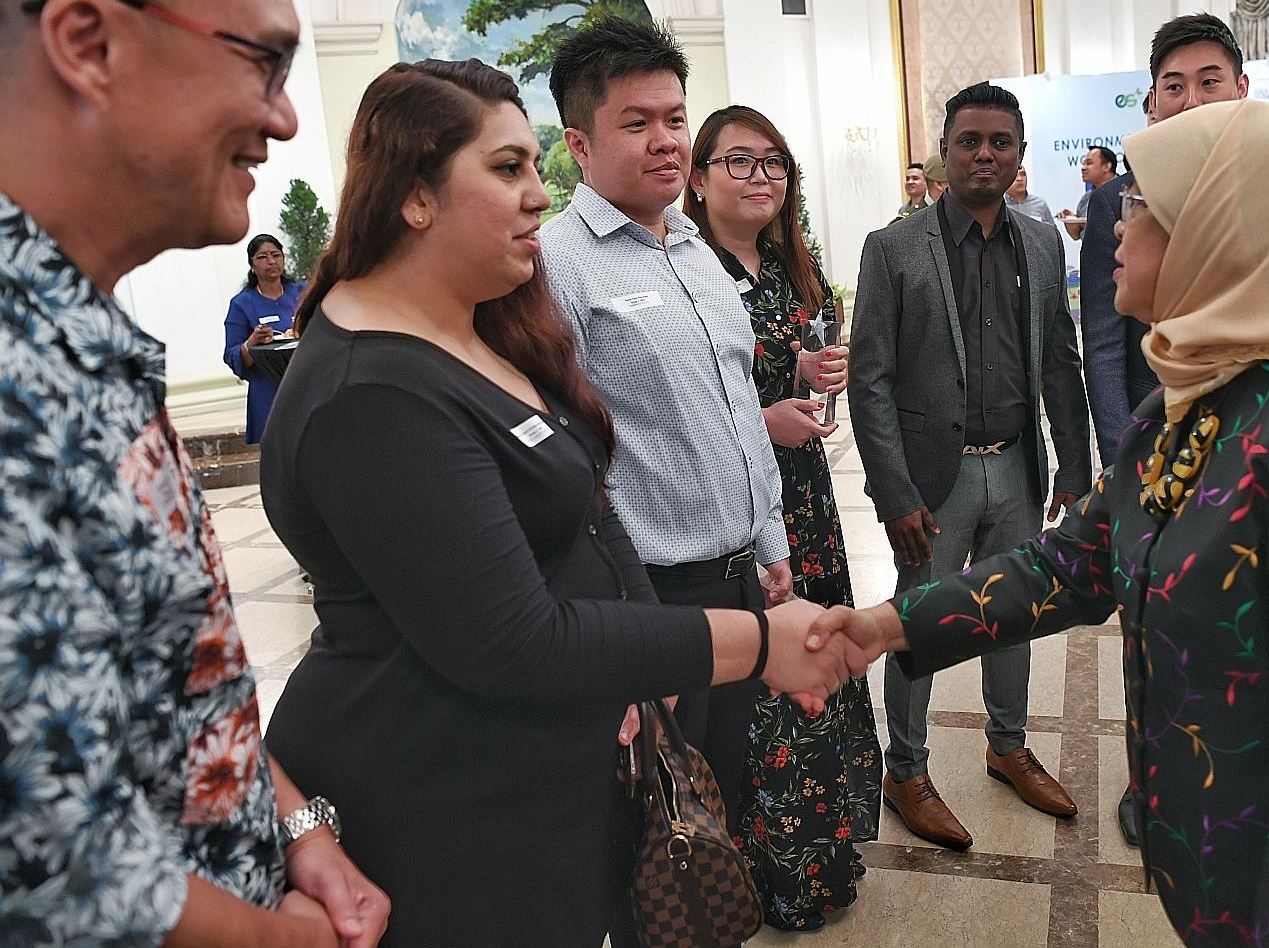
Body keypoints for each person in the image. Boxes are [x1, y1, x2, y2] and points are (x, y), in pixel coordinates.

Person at [816, 99, 1269, 947]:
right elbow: (1071, 565)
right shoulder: (1198, 397)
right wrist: (884, 624)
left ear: (1222, 229)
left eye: (1141, 206)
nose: (1117, 231)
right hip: (1225, 875)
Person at [260, 59, 865, 948]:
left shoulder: (480, 320)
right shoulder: (370, 393)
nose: (539, 195)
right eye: (507, 169)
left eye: (533, 168)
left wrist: (629, 662)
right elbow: (515, 639)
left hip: (547, 749)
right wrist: (759, 644)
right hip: (445, 787)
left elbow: (588, 497)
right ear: (414, 194)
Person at [0, 0, 391, 944]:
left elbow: (171, 693)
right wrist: (284, 937)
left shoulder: (73, 331)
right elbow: (56, 873)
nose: (285, 115)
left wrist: (297, 824)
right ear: (90, 42)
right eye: (260, 60)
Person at [539, 16, 797, 832]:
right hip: (652, 594)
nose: (665, 141)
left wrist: (772, 544)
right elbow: (566, 466)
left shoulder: (694, 250)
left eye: (675, 118)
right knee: (657, 821)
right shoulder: (558, 264)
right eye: (636, 122)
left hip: (740, 582)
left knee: (719, 794)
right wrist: (622, 619)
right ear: (579, 145)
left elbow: (736, 409)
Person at [849, 81, 1091, 850]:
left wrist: (1075, 465)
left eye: (1000, 142)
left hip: (1017, 466)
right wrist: (894, 493)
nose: (985, 154)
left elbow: (1059, 358)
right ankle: (907, 770)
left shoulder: (1043, 239)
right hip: (932, 480)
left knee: (1011, 615)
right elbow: (870, 377)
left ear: (1019, 153)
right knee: (918, 620)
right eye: (969, 142)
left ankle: (1007, 746)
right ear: (943, 151)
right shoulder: (894, 248)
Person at [685, 104, 882, 931]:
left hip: (803, 499)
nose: (760, 176)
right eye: (738, 161)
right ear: (696, 180)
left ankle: (825, 857)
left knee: (821, 651)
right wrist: (764, 417)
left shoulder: (784, 268)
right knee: (764, 686)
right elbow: (677, 406)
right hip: (737, 508)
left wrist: (810, 371)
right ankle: (760, 876)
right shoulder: (687, 270)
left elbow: (791, 369)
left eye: (773, 162)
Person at [1081, 12, 1249, 846]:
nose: (1189, 100)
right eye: (1171, 87)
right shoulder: (1113, 198)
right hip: (1157, 443)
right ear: (1149, 104)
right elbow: (1105, 342)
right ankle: (1154, 784)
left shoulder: (1264, 183)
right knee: (1148, 625)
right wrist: (1126, 454)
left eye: (1207, 81)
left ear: (1242, 89)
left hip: (1247, 449)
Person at [223, 233, 304, 442]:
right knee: (278, 456)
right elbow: (232, 355)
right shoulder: (241, 304)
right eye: (262, 257)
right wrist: (253, 341)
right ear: (252, 265)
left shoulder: (303, 292)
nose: (271, 261)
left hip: (306, 382)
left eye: (276, 255)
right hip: (267, 390)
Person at [1056, 145, 1117, 239]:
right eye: (1083, 163)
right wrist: (1071, 221)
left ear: (1106, 166)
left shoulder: (1124, 193)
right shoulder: (1085, 199)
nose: (1083, 168)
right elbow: (1076, 235)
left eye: (1089, 163)